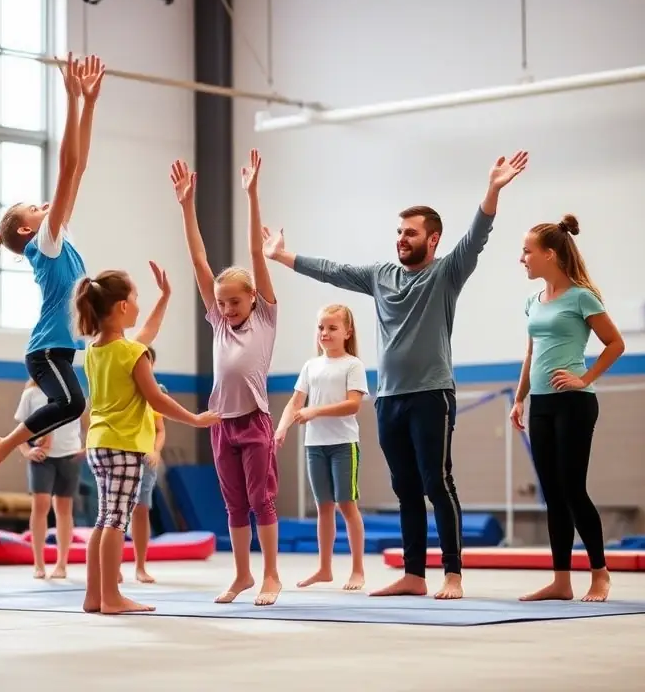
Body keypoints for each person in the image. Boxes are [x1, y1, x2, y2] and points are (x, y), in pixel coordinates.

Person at [264, 151, 530, 600]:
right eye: (399, 232)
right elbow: (334, 271)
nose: (401, 239)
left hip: (431, 395)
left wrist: (493, 189)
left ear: (433, 240)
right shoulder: (381, 276)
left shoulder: (446, 273)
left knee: (436, 482)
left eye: (411, 233)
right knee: (405, 488)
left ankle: (452, 573)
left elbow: (478, 235)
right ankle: (413, 574)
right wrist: (283, 256)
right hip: (389, 399)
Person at [0, 54, 105, 482]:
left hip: (59, 351)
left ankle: (6, 443)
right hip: (46, 351)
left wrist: (89, 104)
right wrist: (69, 100)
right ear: (30, 228)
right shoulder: (45, 245)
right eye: (35, 206)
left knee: (71, 404)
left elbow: (80, 168)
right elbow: (67, 168)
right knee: (72, 405)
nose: (44, 202)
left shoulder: (56, 239)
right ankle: (5, 444)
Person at [171, 149, 282, 607]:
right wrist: (185, 206)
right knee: (234, 504)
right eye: (221, 302)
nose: (226, 309)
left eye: (234, 302)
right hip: (221, 422)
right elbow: (199, 260)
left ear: (252, 298)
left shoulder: (266, 318)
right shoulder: (217, 321)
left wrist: (252, 193)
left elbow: (257, 252)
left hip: (254, 420)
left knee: (262, 500)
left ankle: (272, 575)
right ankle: (242, 575)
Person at [74, 266, 219, 614]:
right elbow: (156, 399)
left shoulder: (97, 350)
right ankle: (112, 596)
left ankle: (94, 595)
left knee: (103, 519)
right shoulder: (132, 354)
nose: (139, 305)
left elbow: (147, 332)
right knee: (115, 521)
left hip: (99, 443)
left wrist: (165, 297)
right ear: (123, 306)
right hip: (124, 447)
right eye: (137, 298)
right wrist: (195, 418)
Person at [510, 214, 624, 603]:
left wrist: (584, 378)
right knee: (552, 495)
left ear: (550, 255)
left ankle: (599, 573)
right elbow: (530, 352)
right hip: (540, 403)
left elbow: (615, 344)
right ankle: (561, 580)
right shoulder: (533, 301)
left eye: (527, 252)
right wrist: (520, 396)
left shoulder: (581, 296)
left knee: (574, 490)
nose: (521, 259)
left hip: (574, 403)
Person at [275, 304, 369, 591]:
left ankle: (357, 570)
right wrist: (282, 427)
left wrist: (315, 412)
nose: (325, 333)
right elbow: (295, 402)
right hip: (315, 444)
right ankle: (324, 568)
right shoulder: (310, 366)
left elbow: (353, 404)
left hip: (343, 444)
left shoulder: (352, 364)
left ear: (347, 332)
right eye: (321, 328)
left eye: (332, 328)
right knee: (323, 507)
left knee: (346, 504)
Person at [16, 379, 89, 580]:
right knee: (41, 505)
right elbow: (19, 432)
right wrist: (27, 451)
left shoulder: (74, 393)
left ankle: (61, 564)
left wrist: (87, 446)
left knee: (64, 509)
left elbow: (87, 424)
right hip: (42, 458)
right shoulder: (31, 394)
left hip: (70, 455)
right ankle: (38, 563)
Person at [126, 345, 167, 584]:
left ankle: (140, 565)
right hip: (123, 453)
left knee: (141, 509)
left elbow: (160, 430)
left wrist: (155, 450)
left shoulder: (158, 391)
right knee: (117, 511)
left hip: (146, 457)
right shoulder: (124, 389)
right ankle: (113, 564)